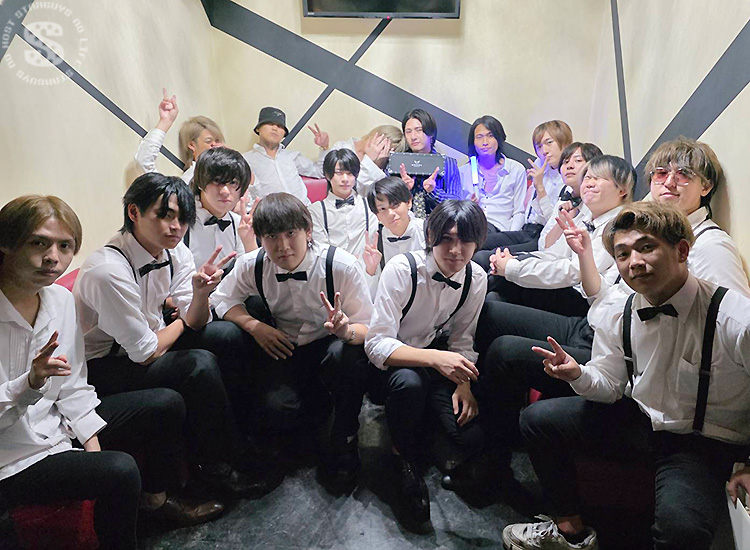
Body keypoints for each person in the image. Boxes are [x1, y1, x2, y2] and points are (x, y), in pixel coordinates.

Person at [504, 202, 750, 550]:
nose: (634, 262)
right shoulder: (620, 311)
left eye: (646, 247)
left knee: (682, 529)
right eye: (623, 254)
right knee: (537, 420)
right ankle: (570, 530)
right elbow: (609, 385)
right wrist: (578, 374)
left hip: (701, 442)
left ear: (681, 251)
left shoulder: (735, 318)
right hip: (640, 419)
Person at [0, 196, 220, 550]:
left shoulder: (57, 300)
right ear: (7, 243)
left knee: (166, 404)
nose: (52, 257)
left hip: (56, 427)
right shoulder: (107, 268)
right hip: (11, 457)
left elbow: (73, 385)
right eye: (39, 243)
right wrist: (28, 384)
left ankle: (157, 502)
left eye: (64, 246)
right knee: (119, 469)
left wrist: (91, 444)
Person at [73, 173, 269, 498]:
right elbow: (146, 353)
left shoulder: (174, 252)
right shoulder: (107, 270)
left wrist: (201, 295)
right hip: (103, 368)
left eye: (182, 218)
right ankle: (218, 468)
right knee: (198, 365)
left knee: (226, 335)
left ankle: (246, 435)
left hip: (150, 340)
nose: (175, 227)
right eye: (164, 215)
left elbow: (197, 320)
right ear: (134, 212)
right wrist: (184, 321)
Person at [210, 192, 373, 485]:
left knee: (348, 358)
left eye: (291, 233)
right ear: (260, 238)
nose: (283, 246)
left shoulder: (341, 266)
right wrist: (254, 326)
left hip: (330, 343)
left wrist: (345, 330)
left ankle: (346, 436)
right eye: (272, 236)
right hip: (285, 347)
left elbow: (369, 328)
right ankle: (309, 417)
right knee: (277, 409)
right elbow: (222, 299)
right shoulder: (253, 264)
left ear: (308, 231)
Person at [364, 200, 488, 524]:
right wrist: (434, 359)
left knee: (470, 435)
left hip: (436, 360)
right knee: (409, 385)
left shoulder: (475, 277)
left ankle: (424, 424)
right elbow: (376, 345)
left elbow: (463, 340)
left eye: (466, 240)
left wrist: (464, 384)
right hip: (394, 363)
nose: (456, 250)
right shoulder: (402, 269)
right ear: (431, 237)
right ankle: (403, 460)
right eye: (447, 239)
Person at [487, 155, 634, 317]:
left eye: (599, 178)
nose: (589, 183)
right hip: (567, 285)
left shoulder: (619, 226)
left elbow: (574, 272)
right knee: (496, 289)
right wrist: (516, 259)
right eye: (587, 177)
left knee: (499, 284)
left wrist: (513, 268)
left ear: (622, 190)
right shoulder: (588, 218)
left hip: (586, 303)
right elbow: (555, 254)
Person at [134, 88, 225, 184]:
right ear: (192, 145)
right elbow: (144, 162)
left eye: (218, 141)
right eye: (209, 141)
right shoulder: (188, 182)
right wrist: (165, 122)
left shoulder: (232, 170)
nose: (216, 146)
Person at [186, 146, 256, 270]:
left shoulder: (237, 223)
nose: (225, 191)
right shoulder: (181, 220)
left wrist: (250, 243)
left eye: (233, 182)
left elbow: (248, 273)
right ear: (200, 182)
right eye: (217, 181)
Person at [459, 115, 527, 238]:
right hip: (471, 229)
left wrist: (510, 237)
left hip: (501, 232)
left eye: (490, 136)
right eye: (479, 137)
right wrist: (468, 207)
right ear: (473, 142)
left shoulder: (516, 170)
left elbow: (520, 211)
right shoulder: (463, 172)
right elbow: (457, 211)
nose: (485, 142)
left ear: (499, 138)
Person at [242, 107, 324, 205]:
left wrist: (324, 147)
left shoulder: (292, 156)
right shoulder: (245, 160)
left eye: (280, 126)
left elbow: (320, 172)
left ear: (284, 133)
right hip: (271, 212)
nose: (275, 128)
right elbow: (244, 196)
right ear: (258, 128)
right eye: (270, 123)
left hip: (303, 209)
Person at [310, 149, 378, 260]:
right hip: (333, 268)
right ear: (327, 175)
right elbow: (321, 250)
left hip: (367, 268)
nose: (345, 179)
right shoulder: (316, 211)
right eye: (339, 173)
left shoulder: (369, 205)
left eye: (350, 173)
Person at [362, 176, 426, 294]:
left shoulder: (427, 233)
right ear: (377, 215)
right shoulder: (374, 242)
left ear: (409, 202)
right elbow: (371, 294)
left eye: (395, 204)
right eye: (383, 208)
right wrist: (371, 270)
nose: (390, 213)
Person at [397, 108, 462, 217]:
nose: (413, 137)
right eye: (408, 132)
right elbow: (386, 203)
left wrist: (433, 191)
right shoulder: (397, 162)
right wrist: (402, 190)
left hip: (439, 223)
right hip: (406, 223)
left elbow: (456, 206)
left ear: (431, 133)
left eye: (418, 130)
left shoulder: (448, 164)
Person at [315, 124, 407, 195]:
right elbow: (347, 187)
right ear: (375, 136)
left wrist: (374, 164)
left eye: (385, 151)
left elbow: (366, 196)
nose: (378, 151)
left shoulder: (380, 169)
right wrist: (324, 147)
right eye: (380, 145)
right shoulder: (343, 147)